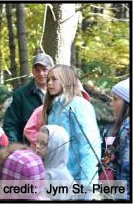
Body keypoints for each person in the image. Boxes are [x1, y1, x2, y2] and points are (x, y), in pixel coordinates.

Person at [42, 65, 101, 199]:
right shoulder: (53, 108)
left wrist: (88, 186)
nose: (49, 83)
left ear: (66, 81)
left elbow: (89, 146)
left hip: (77, 180)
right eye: (48, 80)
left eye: (54, 79)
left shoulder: (79, 105)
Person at [24, 80, 91, 150]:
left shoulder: (81, 113)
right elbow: (29, 129)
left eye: (77, 95)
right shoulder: (43, 110)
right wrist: (44, 141)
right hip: (42, 152)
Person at [3, 53, 54, 144]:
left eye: (44, 70)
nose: (41, 73)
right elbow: (10, 125)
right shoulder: (20, 95)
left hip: (56, 147)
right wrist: (15, 148)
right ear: (33, 71)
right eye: (37, 70)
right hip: (29, 149)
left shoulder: (59, 93)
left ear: (52, 70)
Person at [36, 125, 76, 200]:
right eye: (37, 141)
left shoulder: (62, 180)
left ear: (57, 147)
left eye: (43, 144)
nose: (37, 146)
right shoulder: (40, 168)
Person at [108, 78, 130, 199]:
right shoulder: (120, 128)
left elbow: (126, 171)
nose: (111, 103)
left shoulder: (127, 131)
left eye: (115, 99)